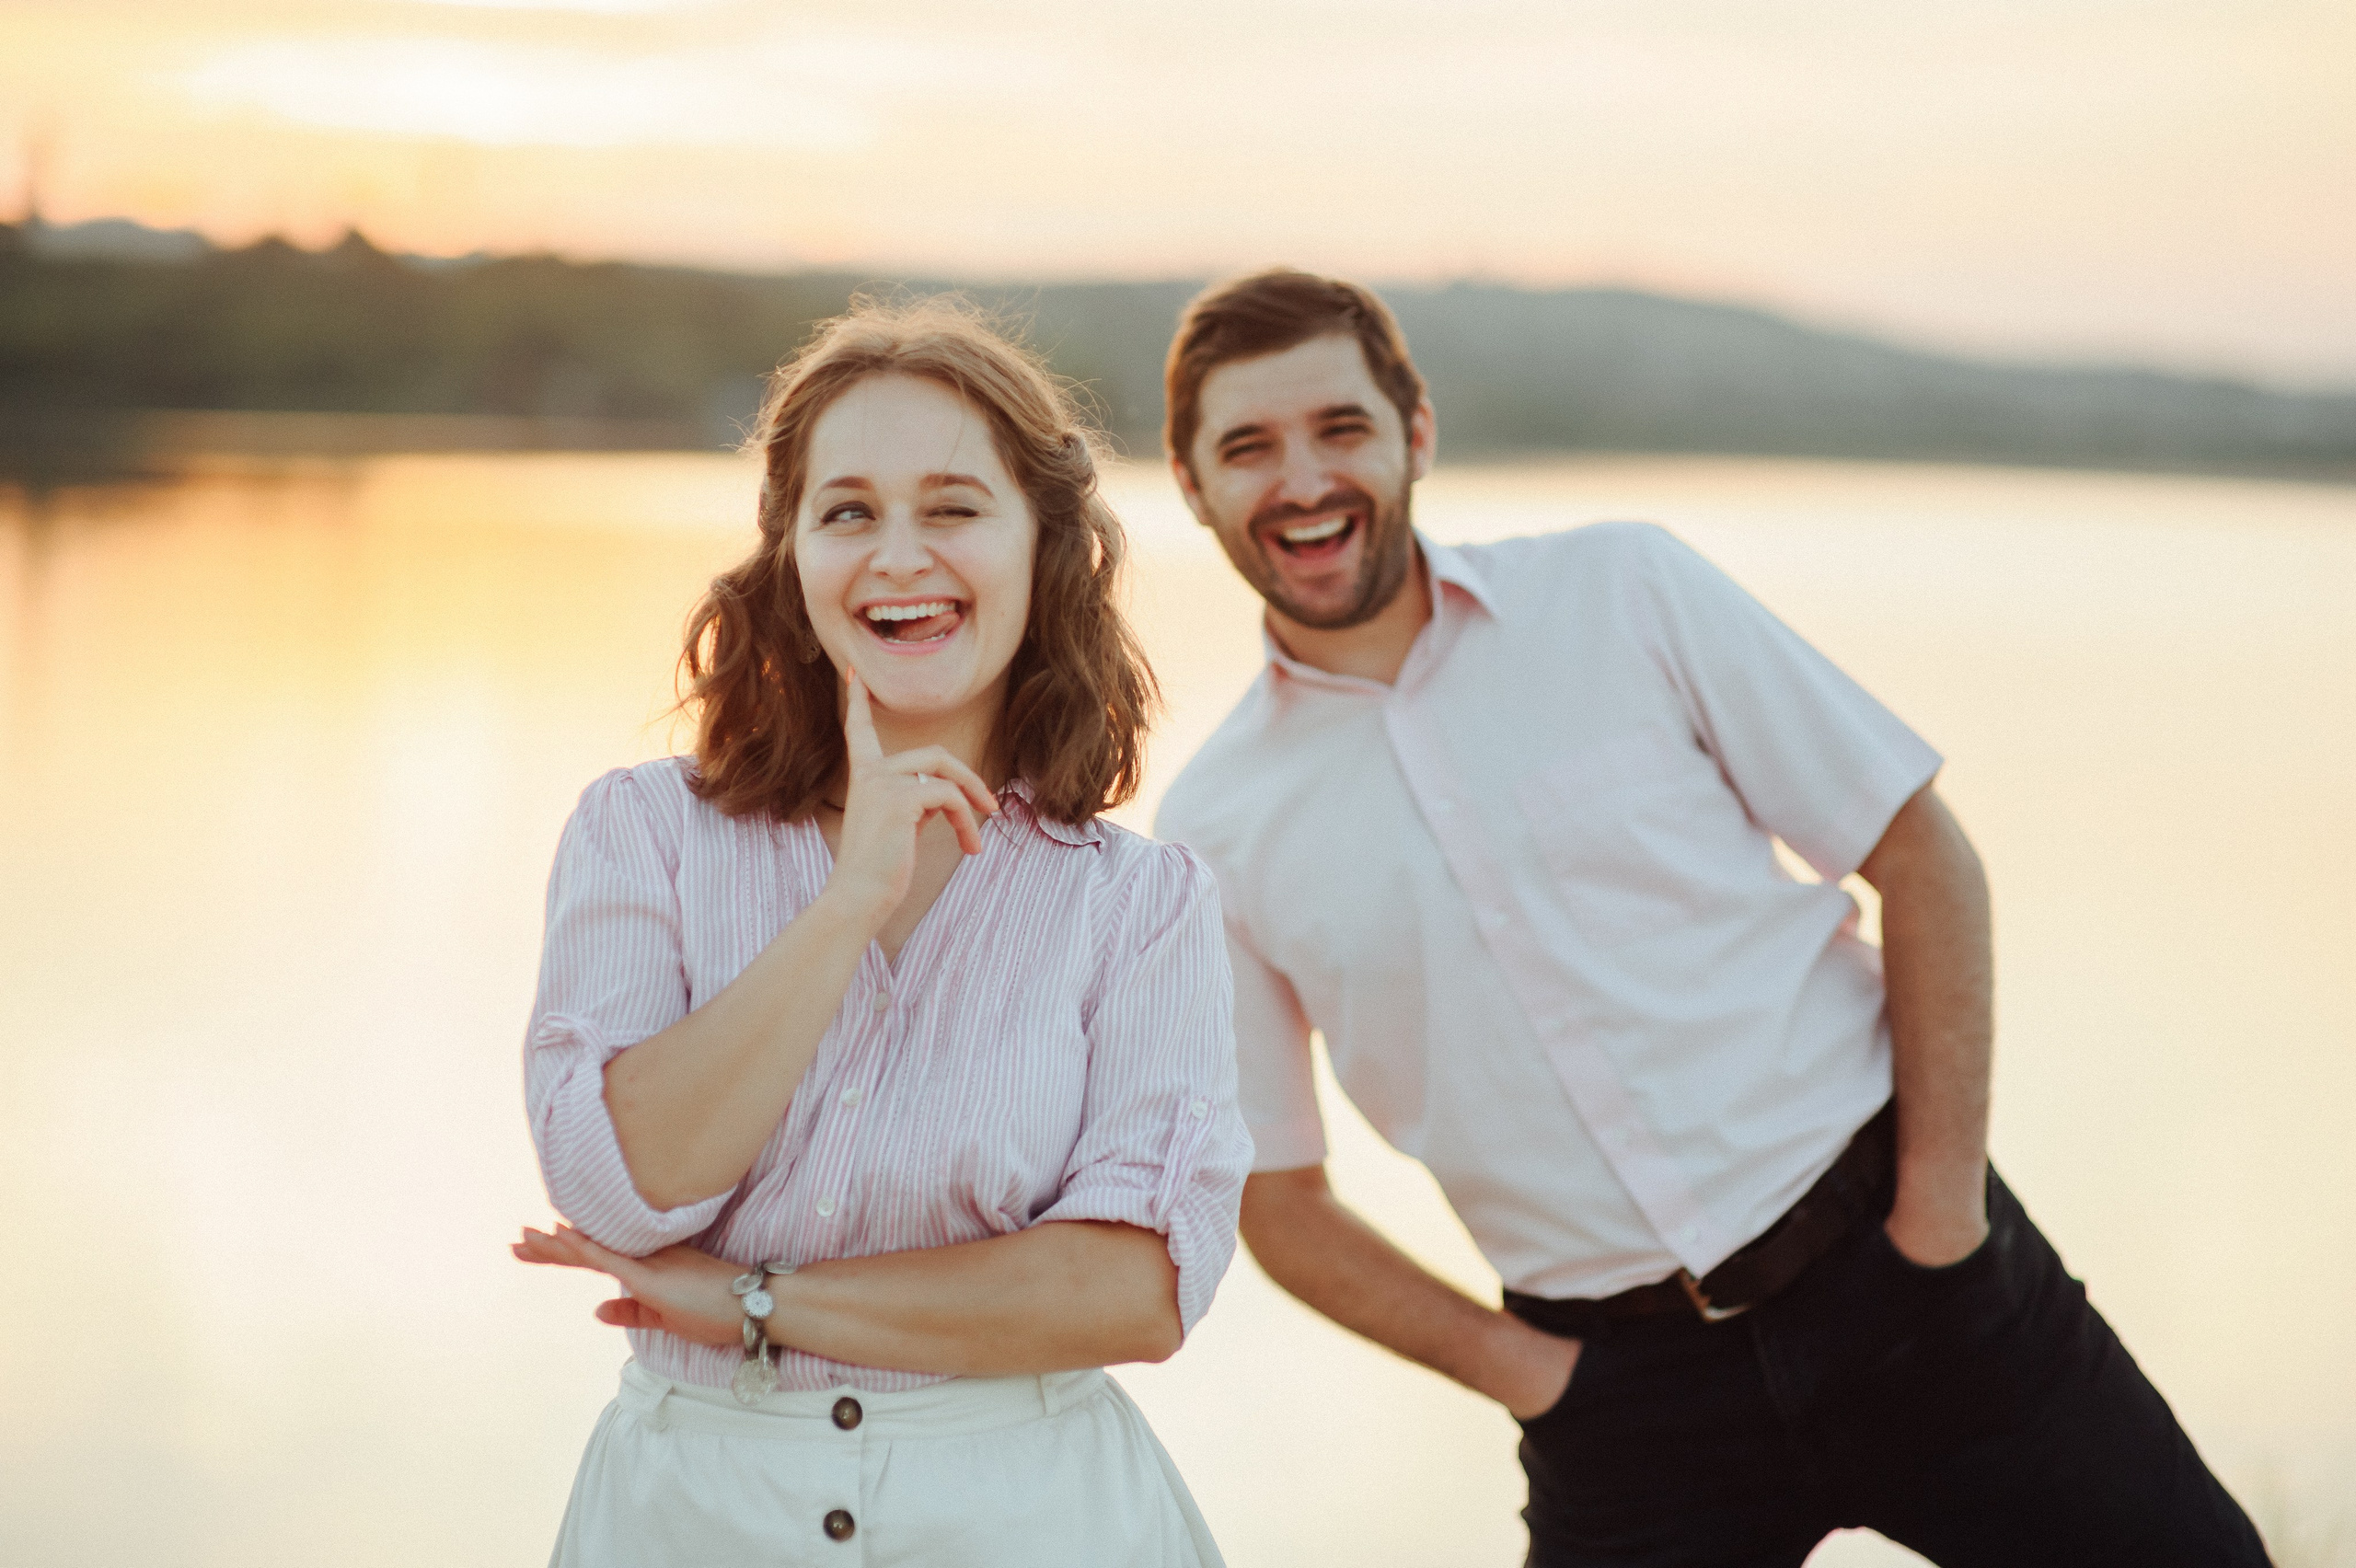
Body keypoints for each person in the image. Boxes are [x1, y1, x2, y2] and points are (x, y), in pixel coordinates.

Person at [1152, 268, 2270, 1568]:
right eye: (1249, 448)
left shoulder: (1624, 592)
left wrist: (1942, 1222)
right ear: (1189, 484)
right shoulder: (1214, 825)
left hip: (1914, 1280)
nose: (1302, 480)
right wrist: (1528, 1374)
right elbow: (1279, 1202)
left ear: (1415, 432)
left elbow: (1921, 856)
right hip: (1624, 1406)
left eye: (1339, 428)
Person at [511, 299, 1250, 1567]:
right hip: (691, 1520)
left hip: (1036, 1519)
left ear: (1044, 551)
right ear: (793, 561)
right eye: (848, 511)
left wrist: (755, 1305)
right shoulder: (643, 833)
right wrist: (846, 905)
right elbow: (613, 1188)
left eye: (954, 508)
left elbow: (1136, 1293)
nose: (898, 555)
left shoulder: (1142, 903)